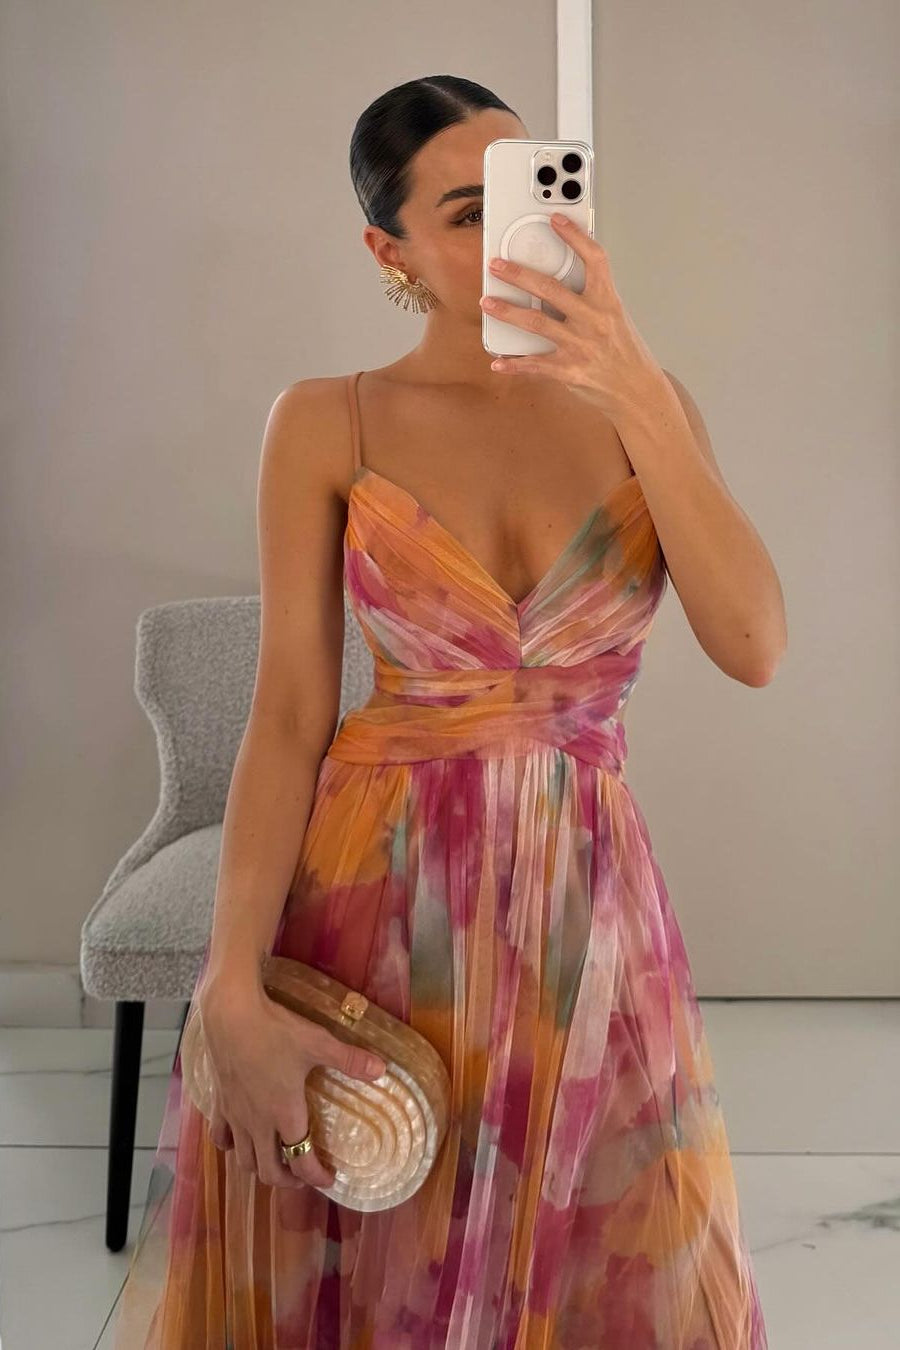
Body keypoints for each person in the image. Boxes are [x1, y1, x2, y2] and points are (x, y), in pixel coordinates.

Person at [113, 74, 778, 1348]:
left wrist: (634, 383)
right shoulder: (327, 421)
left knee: (617, 1262)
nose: (513, 233)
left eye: (529, 194)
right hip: (375, 906)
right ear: (391, 253)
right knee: (383, 1267)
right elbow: (288, 716)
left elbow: (754, 646)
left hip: (589, 909)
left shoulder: (649, 407)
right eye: (468, 214)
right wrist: (231, 981)